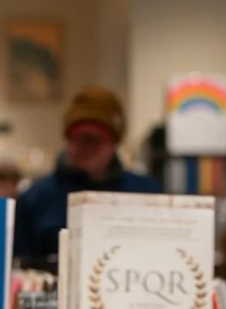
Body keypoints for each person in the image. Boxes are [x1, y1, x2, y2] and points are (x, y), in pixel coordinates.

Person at [15, 87, 161, 257]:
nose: (87, 147)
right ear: (67, 140)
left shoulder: (147, 194)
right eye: (79, 137)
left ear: (114, 143)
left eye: (96, 139)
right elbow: (22, 267)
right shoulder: (35, 199)